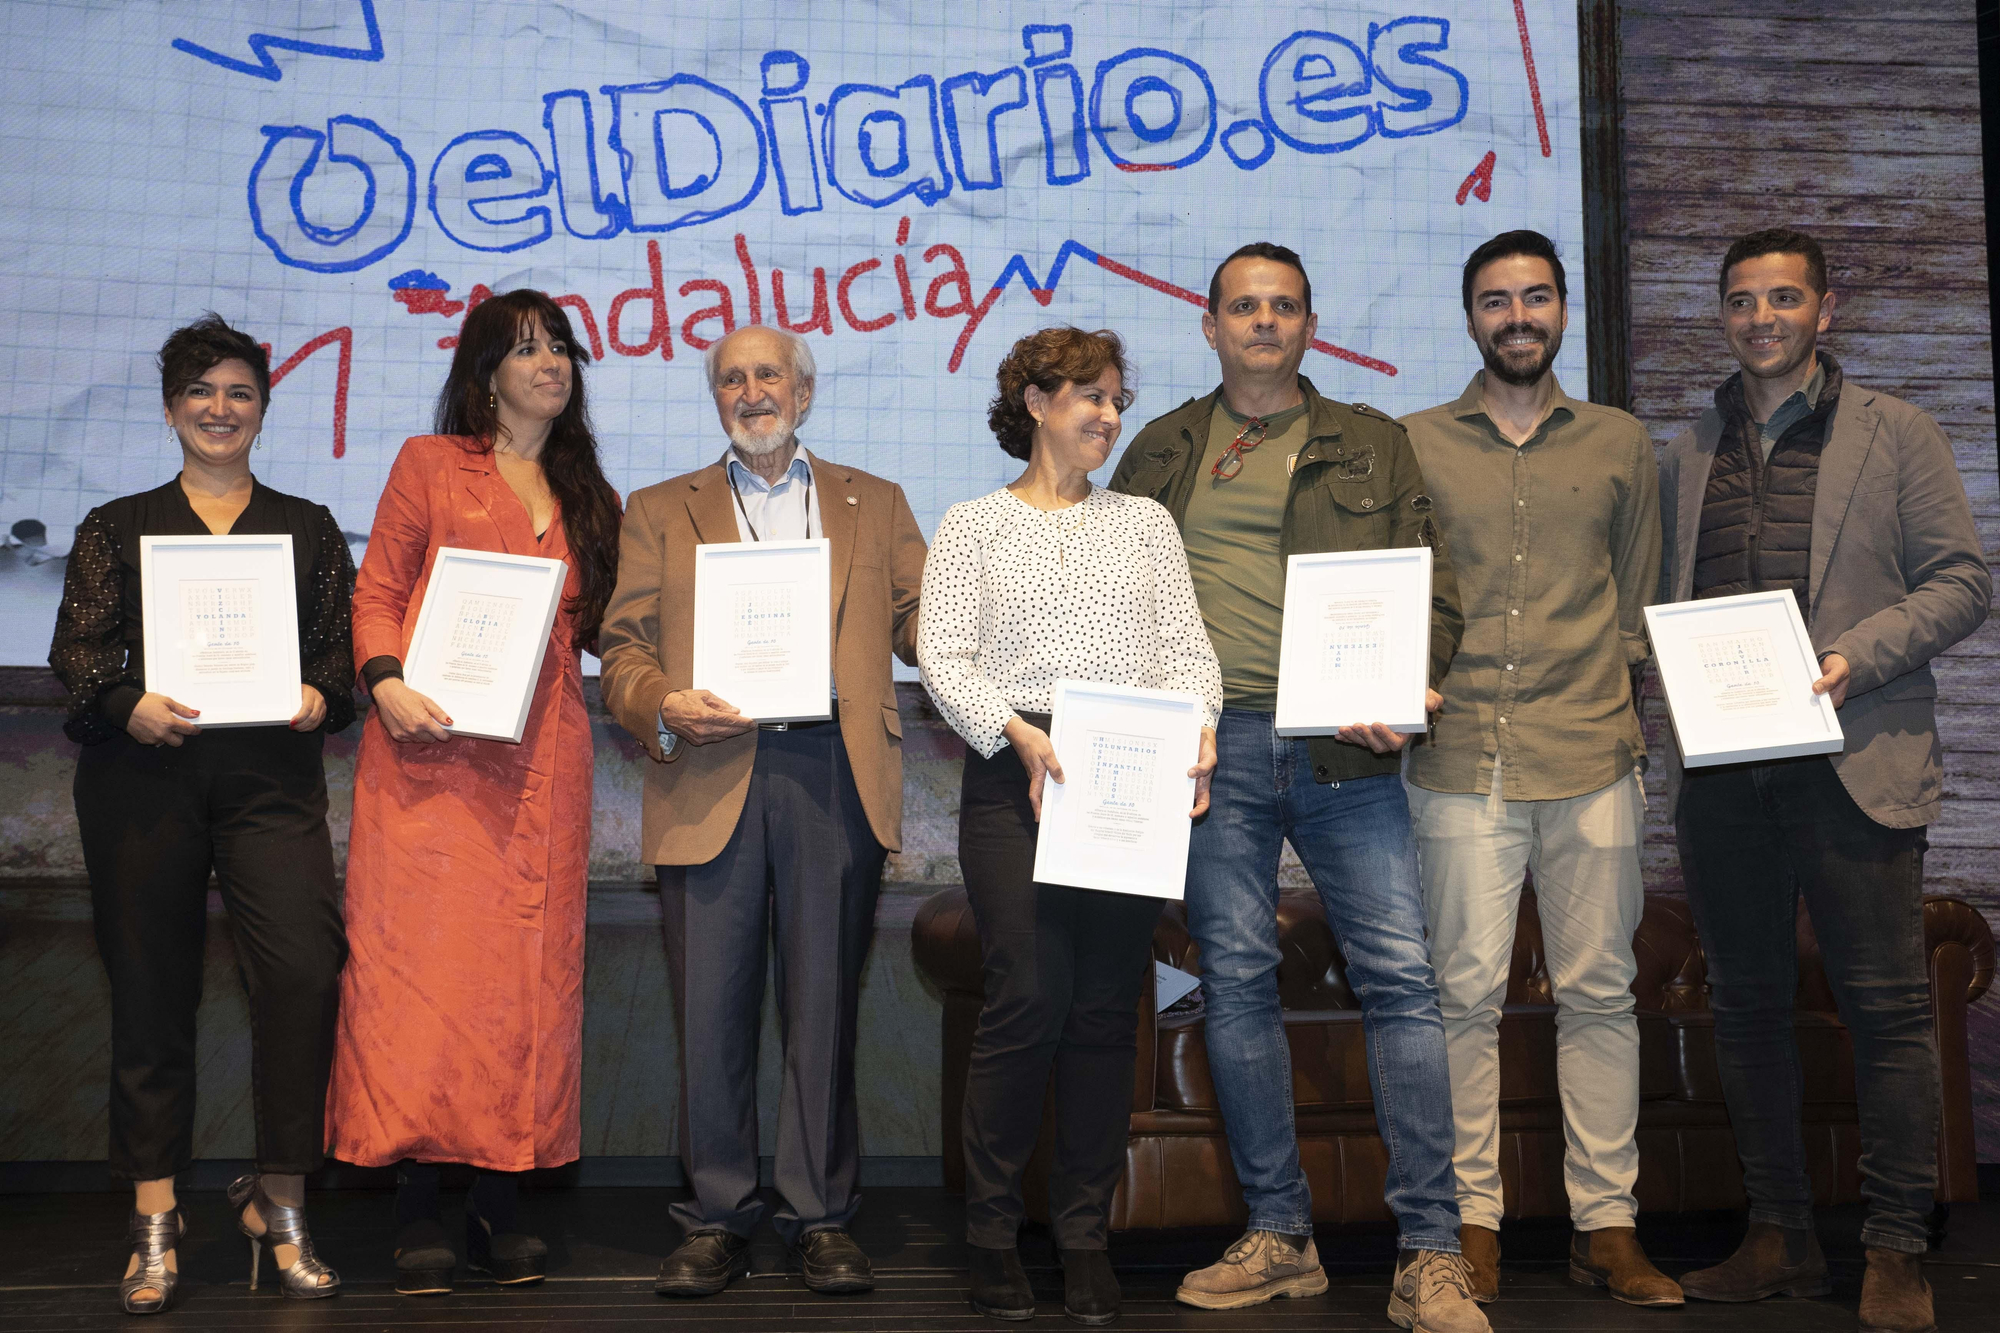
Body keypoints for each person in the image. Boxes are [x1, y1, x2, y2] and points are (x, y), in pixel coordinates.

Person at [1110, 243, 1488, 1333]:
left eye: (1281, 307)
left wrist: (1408, 685)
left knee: (1399, 981)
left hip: (1344, 745)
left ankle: (1429, 1254)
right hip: (1208, 746)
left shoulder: (1372, 441)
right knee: (1233, 981)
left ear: (1308, 325)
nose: (1262, 323)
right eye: (1242, 307)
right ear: (1209, 324)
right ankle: (1280, 1236)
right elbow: (1111, 591)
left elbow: (1433, 591)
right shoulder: (1165, 446)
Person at [1659, 228, 1989, 1333]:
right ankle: (1777, 1237)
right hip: (1722, 772)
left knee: (1886, 1013)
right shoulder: (1686, 445)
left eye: (1782, 298)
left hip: (1850, 760)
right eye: (1741, 299)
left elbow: (1958, 583)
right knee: (1745, 1011)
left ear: (1824, 309)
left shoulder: (1896, 432)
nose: (1761, 317)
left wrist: (1853, 655)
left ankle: (1895, 1249)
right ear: (1722, 313)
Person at [598, 324, 926, 1299]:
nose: (751, 391)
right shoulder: (659, 510)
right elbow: (621, 647)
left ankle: (819, 1215)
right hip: (711, 766)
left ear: (804, 391)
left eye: (767, 374)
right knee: (712, 1006)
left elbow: (921, 624)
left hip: (833, 768)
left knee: (823, 1005)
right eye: (731, 377)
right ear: (716, 397)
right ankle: (715, 1215)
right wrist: (661, 700)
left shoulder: (878, 502)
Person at [919, 327, 1223, 1325]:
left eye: (1116, 399)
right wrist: (1013, 732)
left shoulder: (1143, 523)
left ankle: (1084, 1236)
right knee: (1028, 994)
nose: (1106, 414)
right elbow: (944, 657)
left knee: (1102, 1010)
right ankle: (992, 1233)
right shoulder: (973, 523)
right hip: (1018, 776)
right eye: (1089, 395)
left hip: (1127, 774)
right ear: (1036, 402)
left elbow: (1186, 651)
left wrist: (1201, 731)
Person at [49, 314, 352, 1313]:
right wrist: (125, 699)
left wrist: (321, 693)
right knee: (149, 994)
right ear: (173, 406)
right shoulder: (114, 524)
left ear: (263, 407)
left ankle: (279, 1199)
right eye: (202, 393)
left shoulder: (307, 526)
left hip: (270, 782)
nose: (221, 409)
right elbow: (80, 662)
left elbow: (337, 656)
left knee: (304, 974)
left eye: (240, 393)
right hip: (146, 785)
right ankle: (155, 1214)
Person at [324, 290, 623, 1295]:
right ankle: (417, 1207)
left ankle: (498, 1204)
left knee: (526, 984)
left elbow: (606, 627)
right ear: (484, 369)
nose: (550, 364)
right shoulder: (428, 463)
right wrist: (384, 679)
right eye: (527, 348)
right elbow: (378, 590)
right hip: (432, 758)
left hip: (544, 762)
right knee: (424, 981)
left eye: (561, 349)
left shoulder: (588, 490)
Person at [1399, 231, 1677, 1308]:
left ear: (1560, 309)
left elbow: (1637, 599)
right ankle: (1469, 1224)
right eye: (1494, 300)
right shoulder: (1415, 442)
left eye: (1534, 297)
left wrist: (1618, 708)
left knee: (1600, 994)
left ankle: (1606, 1226)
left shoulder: (1619, 442)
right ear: (1468, 317)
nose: (1516, 315)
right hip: (1459, 757)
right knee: (1459, 997)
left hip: (1592, 753)